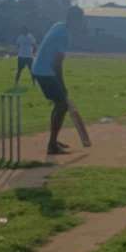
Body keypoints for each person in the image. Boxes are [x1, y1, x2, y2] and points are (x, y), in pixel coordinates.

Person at [32, 22, 70, 155]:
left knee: (59, 104)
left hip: (39, 69)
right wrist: (62, 85)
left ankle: (53, 141)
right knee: (63, 105)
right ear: (75, 21)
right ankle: (52, 145)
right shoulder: (65, 34)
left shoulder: (58, 25)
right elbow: (57, 63)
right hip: (45, 72)